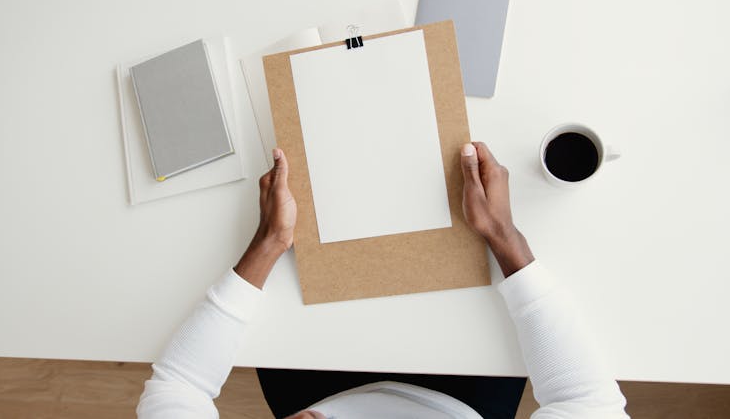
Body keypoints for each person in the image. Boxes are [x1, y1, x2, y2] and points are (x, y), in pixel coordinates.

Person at [136, 142, 629, 418]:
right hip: (462, 395)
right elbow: (588, 402)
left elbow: (178, 387)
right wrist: (503, 235)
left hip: (312, 387)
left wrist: (268, 243)